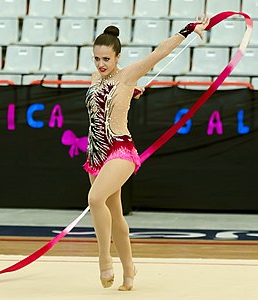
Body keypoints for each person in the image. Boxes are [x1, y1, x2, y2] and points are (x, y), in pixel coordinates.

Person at [83, 16, 210, 291]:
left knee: (95, 198)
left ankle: (105, 260)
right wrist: (129, 94)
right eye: (96, 59)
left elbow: (160, 52)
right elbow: (103, 103)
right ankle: (129, 269)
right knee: (114, 215)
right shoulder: (96, 77)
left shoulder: (130, 73)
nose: (101, 65)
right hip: (97, 154)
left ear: (117, 57)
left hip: (120, 150)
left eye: (106, 59)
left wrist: (187, 30)